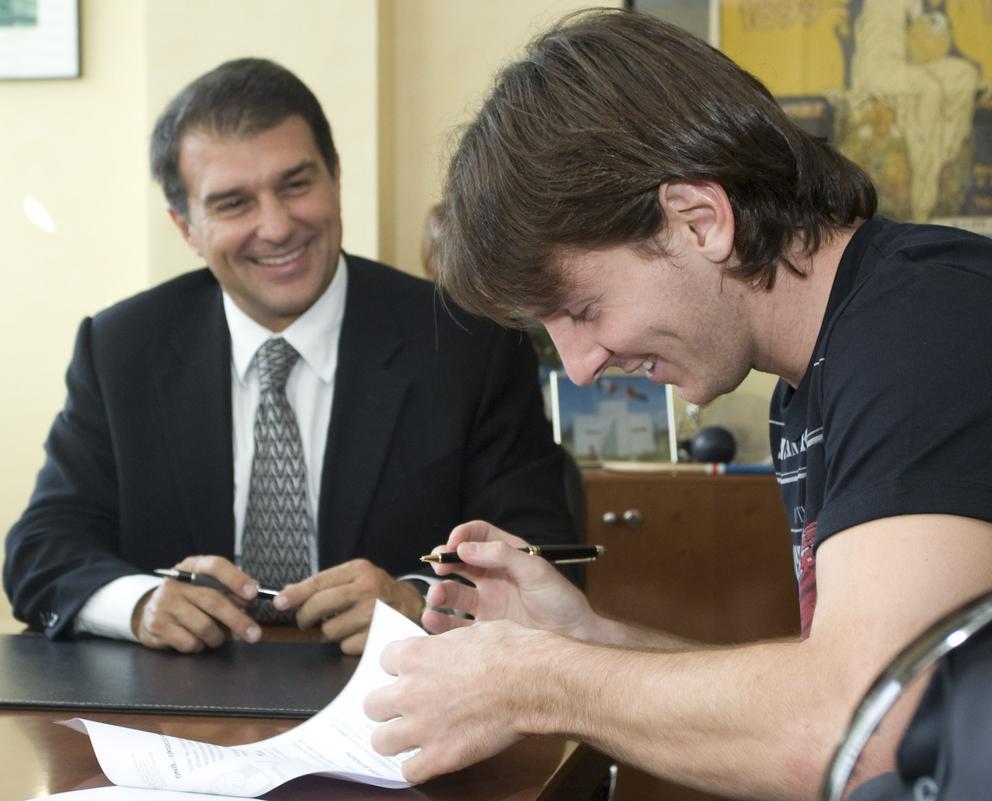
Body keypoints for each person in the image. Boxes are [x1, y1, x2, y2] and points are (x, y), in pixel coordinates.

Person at [363, 9, 992, 799]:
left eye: (583, 311)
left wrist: (539, 679)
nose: (582, 368)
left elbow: (867, 732)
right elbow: (815, 688)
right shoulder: (817, 378)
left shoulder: (928, 333)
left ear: (700, 221)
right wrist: (589, 640)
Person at [2, 58, 574, 656]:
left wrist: (416, 602)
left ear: (336, 178)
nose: (276, 227)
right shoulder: (121, 350)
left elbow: (545, 558)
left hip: (402, 704)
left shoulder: (465, 342)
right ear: (186, 226)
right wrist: (142, 605)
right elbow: (42, 550)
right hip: (179, 717)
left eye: (296, 185)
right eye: (233, 204)